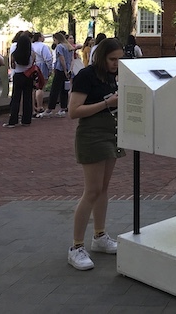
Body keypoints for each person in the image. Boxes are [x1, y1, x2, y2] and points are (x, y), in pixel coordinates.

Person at [66, 38, 124, 271]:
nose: (116, 64)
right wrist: (107, 103)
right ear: (101, 57)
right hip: (92, 135)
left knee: (103, 189)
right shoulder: (86, 75)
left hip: (111, 132)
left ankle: (99, 236)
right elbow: (74, 111)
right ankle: (76, 247)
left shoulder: (112, 76)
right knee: (91, 191)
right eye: (112, 59)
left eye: (119, 59)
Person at [5, 33, 35, 127]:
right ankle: (26, 120)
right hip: (28, 75)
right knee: (28, 97)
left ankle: (13, 120)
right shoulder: (31, 52)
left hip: (18, 75)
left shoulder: (15, 54)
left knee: (16, 98)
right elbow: (34, 62)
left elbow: (12, 65)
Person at [41, 32, 72, 118]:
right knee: (64, 89)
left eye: (54, 39)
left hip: (60, 69)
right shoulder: (68, 46)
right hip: (68, 69)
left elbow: (61, 59)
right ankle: (63, 108)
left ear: (57, 39)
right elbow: (72, 59)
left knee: (55, 89)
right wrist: (69, 70)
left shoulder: (59, 47)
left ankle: (50, 109)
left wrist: (64, 69)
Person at [32, 32, 53, 118]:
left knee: (33, 88)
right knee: (40, 86)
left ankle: (33, 106)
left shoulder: (31, 45)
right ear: (40, 37)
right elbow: (48, 58)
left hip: (32, 66)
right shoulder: (43, 46)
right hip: (41, 66)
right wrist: (50, 68)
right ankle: (40, 106)